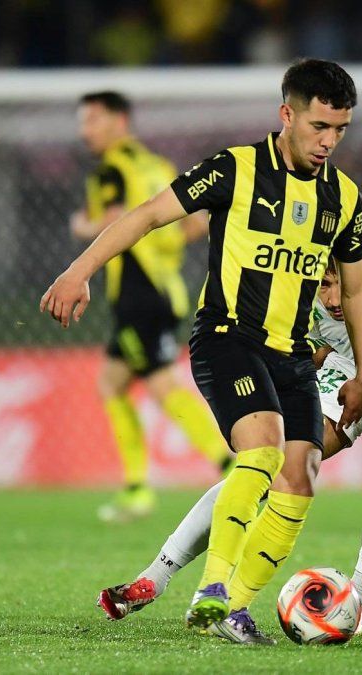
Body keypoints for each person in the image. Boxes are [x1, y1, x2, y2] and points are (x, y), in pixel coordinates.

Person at [42, 59, 362, 641]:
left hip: (294, 353)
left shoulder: (344, 197)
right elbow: (149, 215)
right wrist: (79, 271)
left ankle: (231, 611)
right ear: (287, 114)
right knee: (263, 448)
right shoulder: (235, 168)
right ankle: (213, 588)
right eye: (319, 126)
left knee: (301, 477)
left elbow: (355, 289)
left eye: (340, 130)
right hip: (228, 337)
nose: (329, 141)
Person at [97, 259, 362, 644]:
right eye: (323, 285)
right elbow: (306, 348)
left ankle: (360, 597)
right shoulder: (299, 295)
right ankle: (155, 577)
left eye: (338, 283)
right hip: (351, 379)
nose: (332, 298)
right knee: (272, 464)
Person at [73, 91, 231, 523]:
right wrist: (164, 246)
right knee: (112, 383)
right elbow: (196, 224)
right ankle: (136, 488)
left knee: (161, 385)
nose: (85, 130)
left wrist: (82, 225)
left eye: (93, 120)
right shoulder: (158, 167)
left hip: (137, 294)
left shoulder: (111, 170)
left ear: (119, 121)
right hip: (165, 290)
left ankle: (228, 465)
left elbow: (113, 221)